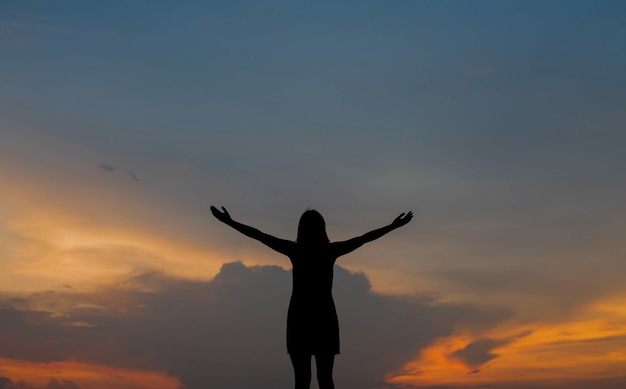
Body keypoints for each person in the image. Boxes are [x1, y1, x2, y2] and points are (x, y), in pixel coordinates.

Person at [210, 206, 413, 389]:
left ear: (301, 229)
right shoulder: (329, 250)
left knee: (302, 380)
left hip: (299, 317)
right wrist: (393, 226)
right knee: (326, 379)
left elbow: (259, 236)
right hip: (324, 316)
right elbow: (364, 238)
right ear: (323, 228)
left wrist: (229, 222)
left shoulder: (296, 250)